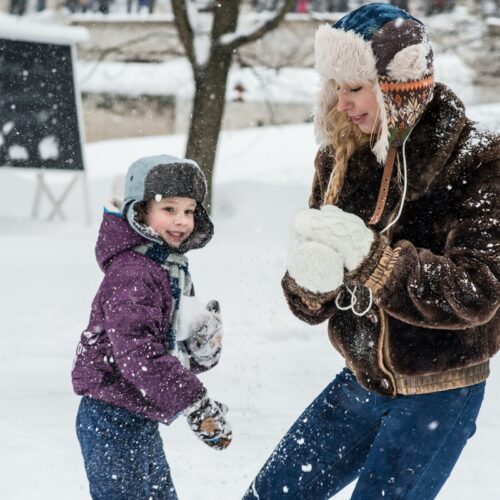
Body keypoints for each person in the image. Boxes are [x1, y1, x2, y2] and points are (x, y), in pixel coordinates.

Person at [243, 3, 499, 499]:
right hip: (360, 379)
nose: (342, 103)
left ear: (398, 87)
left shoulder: (479, 160)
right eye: (336, 87)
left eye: (356, 88)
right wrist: (309, 285)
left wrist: (376, 262)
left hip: (439, 393)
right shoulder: (341, 154)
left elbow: (478, 290)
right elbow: (310, 304)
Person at [72, 155, 232, 499]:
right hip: (110, 419)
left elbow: (165, 349)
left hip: (137, 417)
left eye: (189, 211)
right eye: (169, 209)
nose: (182, 221)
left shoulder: (168, 267)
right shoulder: (134, 274)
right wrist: (195, 401)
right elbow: (137, 355)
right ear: (140, 211)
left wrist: (201, 350)